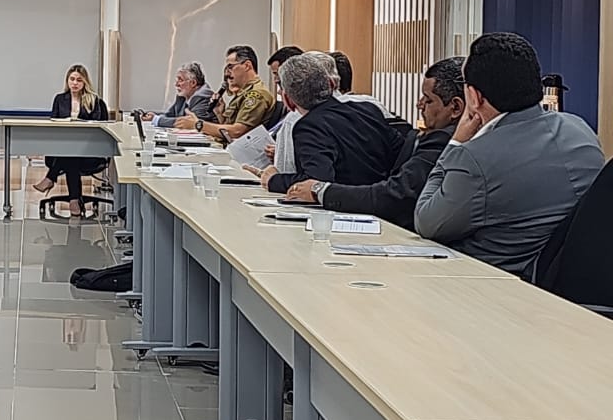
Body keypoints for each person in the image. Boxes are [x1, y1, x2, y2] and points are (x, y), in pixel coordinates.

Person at [415, 33, 604, 276]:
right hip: (570, 285)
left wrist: (455, 144)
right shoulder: (580, 130)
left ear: (474, 96)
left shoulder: (475, 158)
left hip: (490, 284)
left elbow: (426, 221)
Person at [285, 57, 465, 229]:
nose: (419, 105)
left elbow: (395, 195)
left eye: (428, 100)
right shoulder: (370, 110)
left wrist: (321, 190)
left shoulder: (445, 141)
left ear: (456, 107)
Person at [250, 53, 405, 195]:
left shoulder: (309, 126)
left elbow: (317, 183)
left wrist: (274, 180)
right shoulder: (368, 109)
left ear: (288, 101)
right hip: (388, 201)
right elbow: (401, 154)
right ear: (331, 84)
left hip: (346, 210)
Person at [34, 65, 110, 217]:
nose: (75, 83)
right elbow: (53, 124)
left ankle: (51, 178)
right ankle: (74, 200)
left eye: (79, 80)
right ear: (67, 81)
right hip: (63, 150)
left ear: (85, 83)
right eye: (72, 79)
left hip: (90, 152)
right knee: (71, 155)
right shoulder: (60, 99)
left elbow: (99, 128)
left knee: (71, 155)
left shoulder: (94, 101)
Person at [173, 45, 274, 143]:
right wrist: (219, 113)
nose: (227, 73)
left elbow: (238, 131)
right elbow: (227, 131)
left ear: (247, 65)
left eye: (231, 67)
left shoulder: (256, 94)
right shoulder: (243, 93)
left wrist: (198, 125)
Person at [140, 62, 215, 126]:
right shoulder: (183, 97)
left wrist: (156, 119)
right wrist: (150, 115)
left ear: (193, 83)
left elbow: (186, 123)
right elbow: (169, 115)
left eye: (180, 80)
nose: (176, 84)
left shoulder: (204, 99)